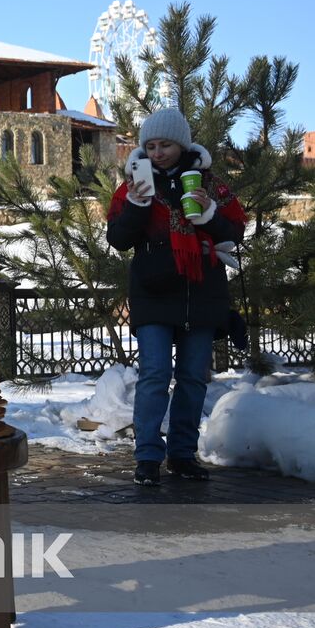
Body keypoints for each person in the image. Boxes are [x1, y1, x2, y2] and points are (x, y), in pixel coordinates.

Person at [105, 106, 246, 486]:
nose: (156, 152)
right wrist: (136, 206)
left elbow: (235, 233)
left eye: (164, 144)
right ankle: (148, 457)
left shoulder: (211, 185)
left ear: (180, 144)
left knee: (192, 377)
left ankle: (182, 455)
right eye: (150, 145)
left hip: (202, 291)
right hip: (153, 293)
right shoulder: (132, 186)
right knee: (154, 374)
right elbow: (118, 240)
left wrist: (208, 213)